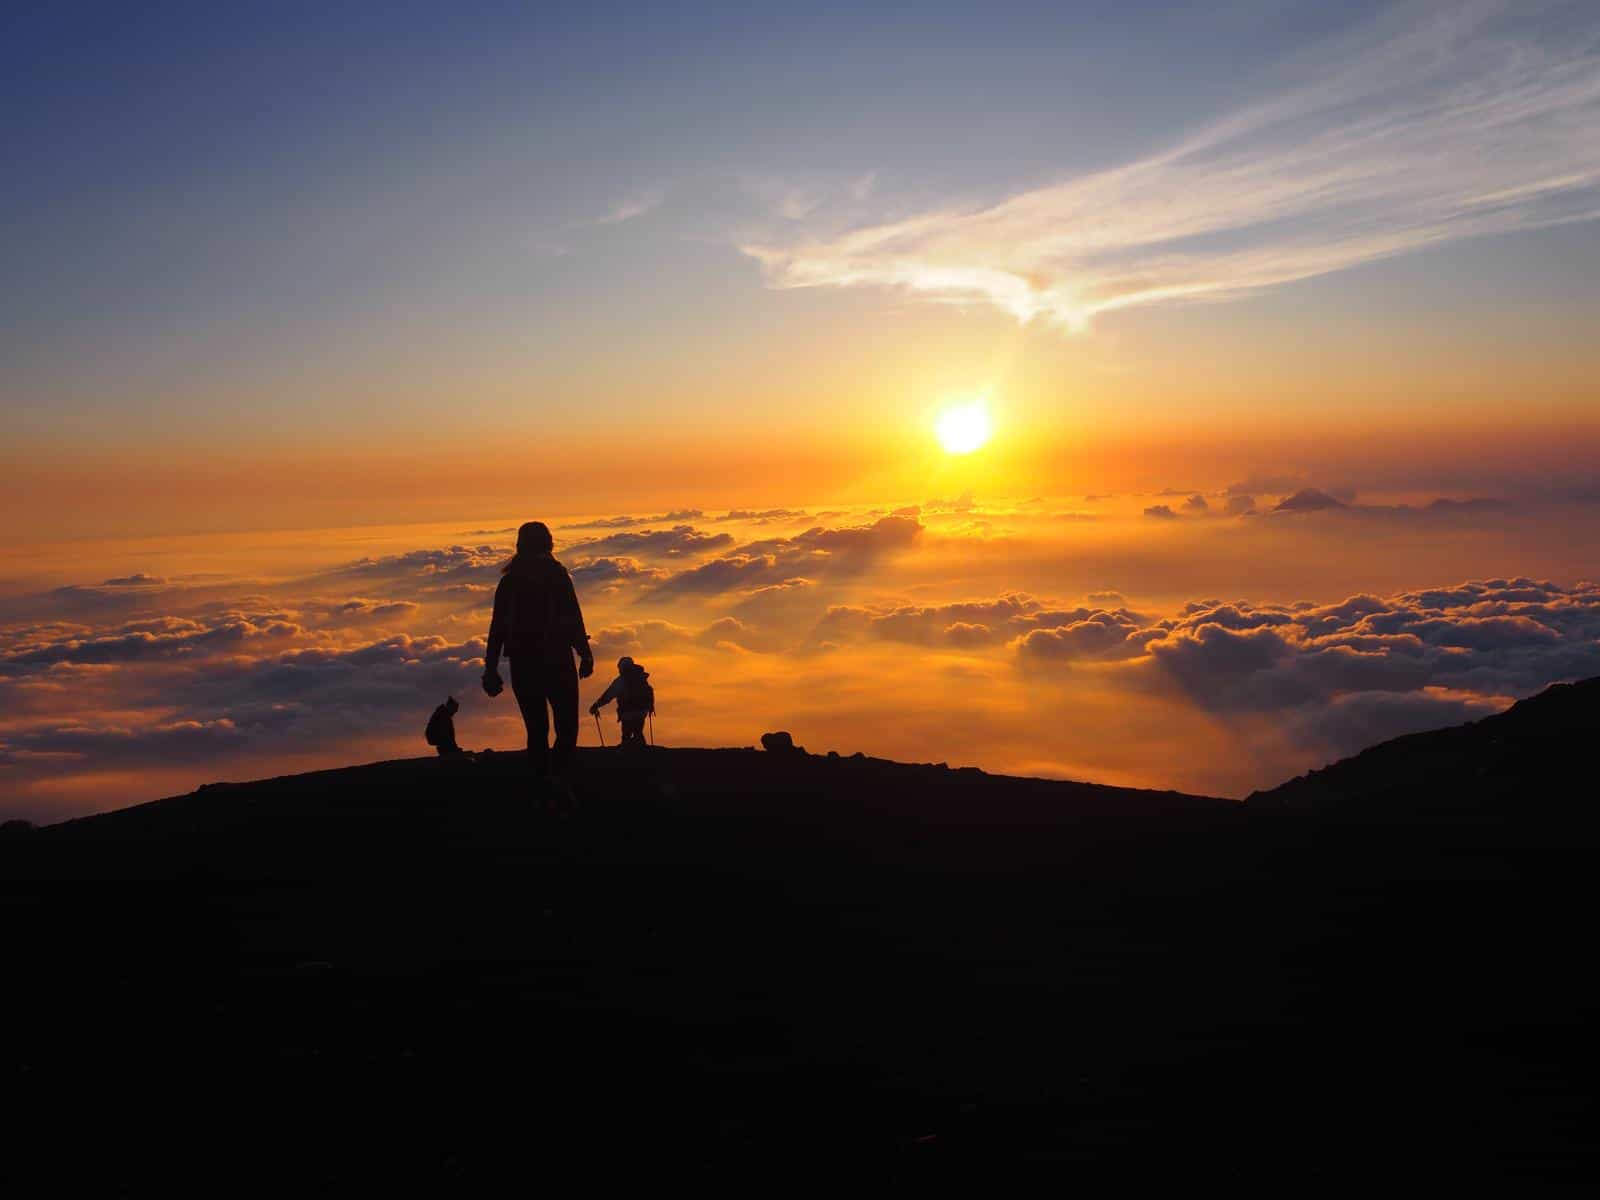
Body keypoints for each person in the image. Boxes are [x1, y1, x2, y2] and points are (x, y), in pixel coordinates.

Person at [482, 521, 594, 778]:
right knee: (566, 729)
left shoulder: (509, 582)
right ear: (549, 543)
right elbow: (573, 618)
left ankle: (541, 785)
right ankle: (560, 781)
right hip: (557, 661)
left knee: (536, 730)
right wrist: (584, 653)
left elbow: (497, 628)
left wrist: (490, 668)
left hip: (523, 665)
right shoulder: (557, 576)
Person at [589, 656, 655, 750]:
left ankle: (627, 755)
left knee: (626, 735)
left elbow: (608, 696)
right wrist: (650, 707)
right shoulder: (641, 678)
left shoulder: (620, 681)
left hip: (627, 712)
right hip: (641, 711)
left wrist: (596, 705)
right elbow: (648, 692)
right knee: (638, 732)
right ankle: (642, 754)